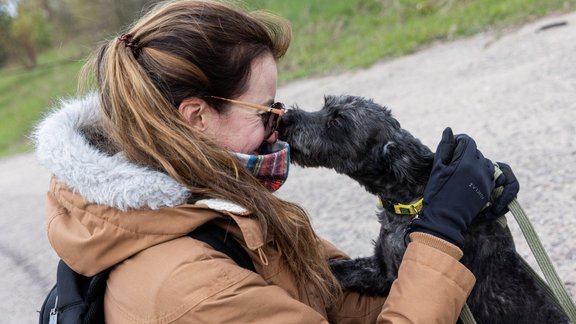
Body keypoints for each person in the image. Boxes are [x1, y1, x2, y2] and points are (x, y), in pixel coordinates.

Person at [33, 0, 518, 322]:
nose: (281, 122)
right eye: (266, 109)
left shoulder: (210, 201)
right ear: (197, 116)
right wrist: (438, 234)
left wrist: (459, 224)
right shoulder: (195, 290)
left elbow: (337, 298)